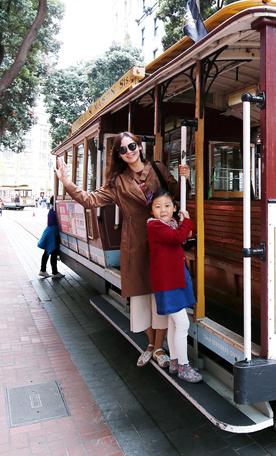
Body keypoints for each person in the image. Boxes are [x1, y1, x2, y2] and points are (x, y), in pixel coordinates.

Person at [54, 131, 190, 368]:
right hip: (136, 244)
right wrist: (66, 182)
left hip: (161, 244)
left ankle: (159, 347)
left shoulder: (157, 169)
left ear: (139, 146)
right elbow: (89, 200)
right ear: (118, 154)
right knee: (140, 296)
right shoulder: (117, 182)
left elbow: (175, 195)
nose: (129, 152)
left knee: (160, 296)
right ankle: (150, 343)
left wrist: (186, 179)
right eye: (123, 149)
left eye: (132, 146)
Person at [146, 190, 201, 383]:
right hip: (168, 283)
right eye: (158, 206)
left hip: (174, 280)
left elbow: (178, 236)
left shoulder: (169, 225)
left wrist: (182, 223)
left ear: (174, 208)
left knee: (173, 323)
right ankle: (184, 367)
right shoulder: (155, 226)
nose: (163, 210)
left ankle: (176, 363)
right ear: (152, 211)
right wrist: (188, 220)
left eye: (167, 206)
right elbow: (178, 237)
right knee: (183, 323)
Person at [37, 196, 63, 278]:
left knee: (47, 252)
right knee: (53, 253)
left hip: (49, 232)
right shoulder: (54, 211)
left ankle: (43, 270)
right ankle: (54, 272)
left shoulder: (52, 210)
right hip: (53, 233)